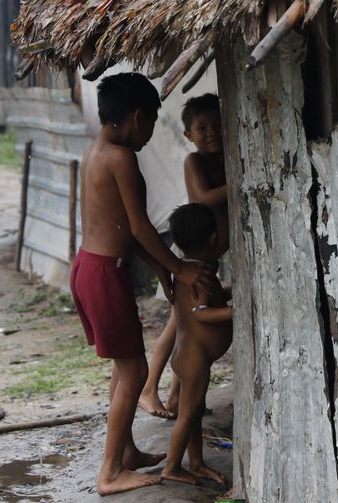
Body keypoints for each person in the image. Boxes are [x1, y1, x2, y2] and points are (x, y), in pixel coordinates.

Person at [69, 72, 213, 496]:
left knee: (124, 365)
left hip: (89, 266)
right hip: (104, 272)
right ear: (136, 117)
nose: (151, 132)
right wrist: (181, 269)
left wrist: (161, 269)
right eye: (151, 122)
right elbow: (140, 226)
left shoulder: (95, 151)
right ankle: (110, 471)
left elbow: (126, 230)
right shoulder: (122, 158)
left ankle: (126, 452)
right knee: (135, 371)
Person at [139, 93, 228, 419]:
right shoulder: (196, 162)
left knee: (186, 330)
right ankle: (149, 388)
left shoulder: (223, 159)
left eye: (217, 125)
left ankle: (178, 397)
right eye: (202, 128)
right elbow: (203, 198)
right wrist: (241, 181)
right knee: (178, 325)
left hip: (207, 258)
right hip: (190, 257)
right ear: (188, 135)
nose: (212, 133)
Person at [161, 203, 232, 485]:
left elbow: (209, 297)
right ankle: (172, 466)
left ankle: (197, 462)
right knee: (188, 415)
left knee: (194, 411)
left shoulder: (189, 270)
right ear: (214, 238)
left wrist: (231, 291)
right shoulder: (198, 276)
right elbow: (200, 312)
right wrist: (233, 311)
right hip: (194, 359)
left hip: (188, 355)